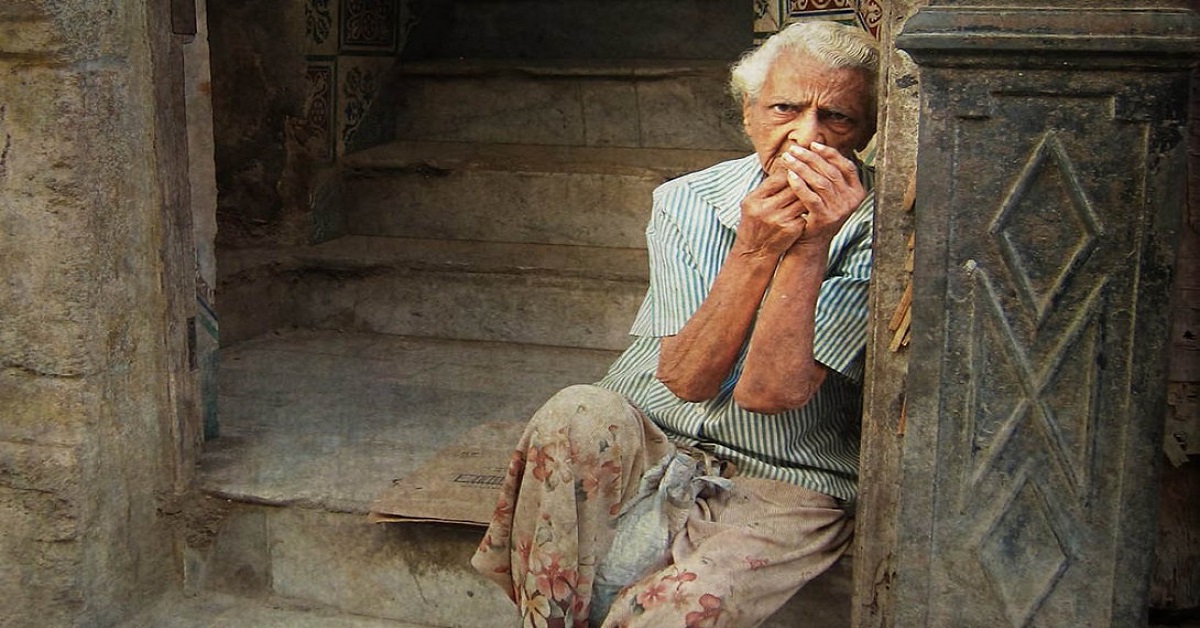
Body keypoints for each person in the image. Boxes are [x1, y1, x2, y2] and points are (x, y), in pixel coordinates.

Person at [472, 20, 879, 628]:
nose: (806, 136)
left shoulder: (880, 229)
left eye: (837, 119)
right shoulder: (688, 200)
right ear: (748, 113)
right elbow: (687, 378)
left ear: (868, 131)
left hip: (786, 473)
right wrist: (755, 250)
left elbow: (770, 393)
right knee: (576, 410)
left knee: (677, 610)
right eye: (785, 109)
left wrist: (808, 245)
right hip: (657, 434)